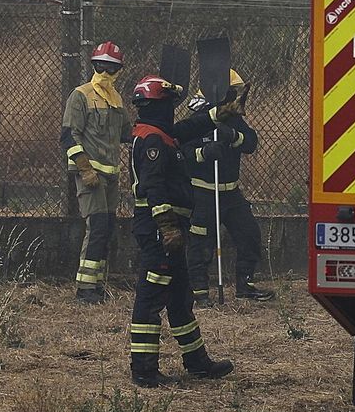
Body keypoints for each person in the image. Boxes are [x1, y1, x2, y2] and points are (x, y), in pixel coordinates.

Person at [126, 74, 236, 387]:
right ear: (159, 105)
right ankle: (144, 370)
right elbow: (153, 186)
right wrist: (167, 226)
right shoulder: (152, 140)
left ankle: (198, 363)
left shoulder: (160, 133)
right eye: (170, 104)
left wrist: (219, 113)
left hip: (171, 230)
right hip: (160, 230)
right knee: (151, 296)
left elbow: (187, 129)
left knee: (179, 296)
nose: (174, 110)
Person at [184, 69, 275, 306]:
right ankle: (199, 292)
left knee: (249, 235)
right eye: (231, 91)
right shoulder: (198, 118)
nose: (234, 96)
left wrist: (233, 135)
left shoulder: (233, 118)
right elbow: (181, 153)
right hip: (203, 191)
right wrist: (204, 153)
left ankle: (245, 285)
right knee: (201, 243)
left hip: (230, 192)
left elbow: (251, 143)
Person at [62, 41, 132, 304]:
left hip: (111, 176)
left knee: (107, 228)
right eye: (102, 66)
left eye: (111, 67)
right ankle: (85, 289)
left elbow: (126, 132)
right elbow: (69, 136)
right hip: (91, 175)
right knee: (98, 227)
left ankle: (97, 284)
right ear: (94, 65)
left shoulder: (116, 98)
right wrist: (84, 168)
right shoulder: (80, 95)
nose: (106, 71)